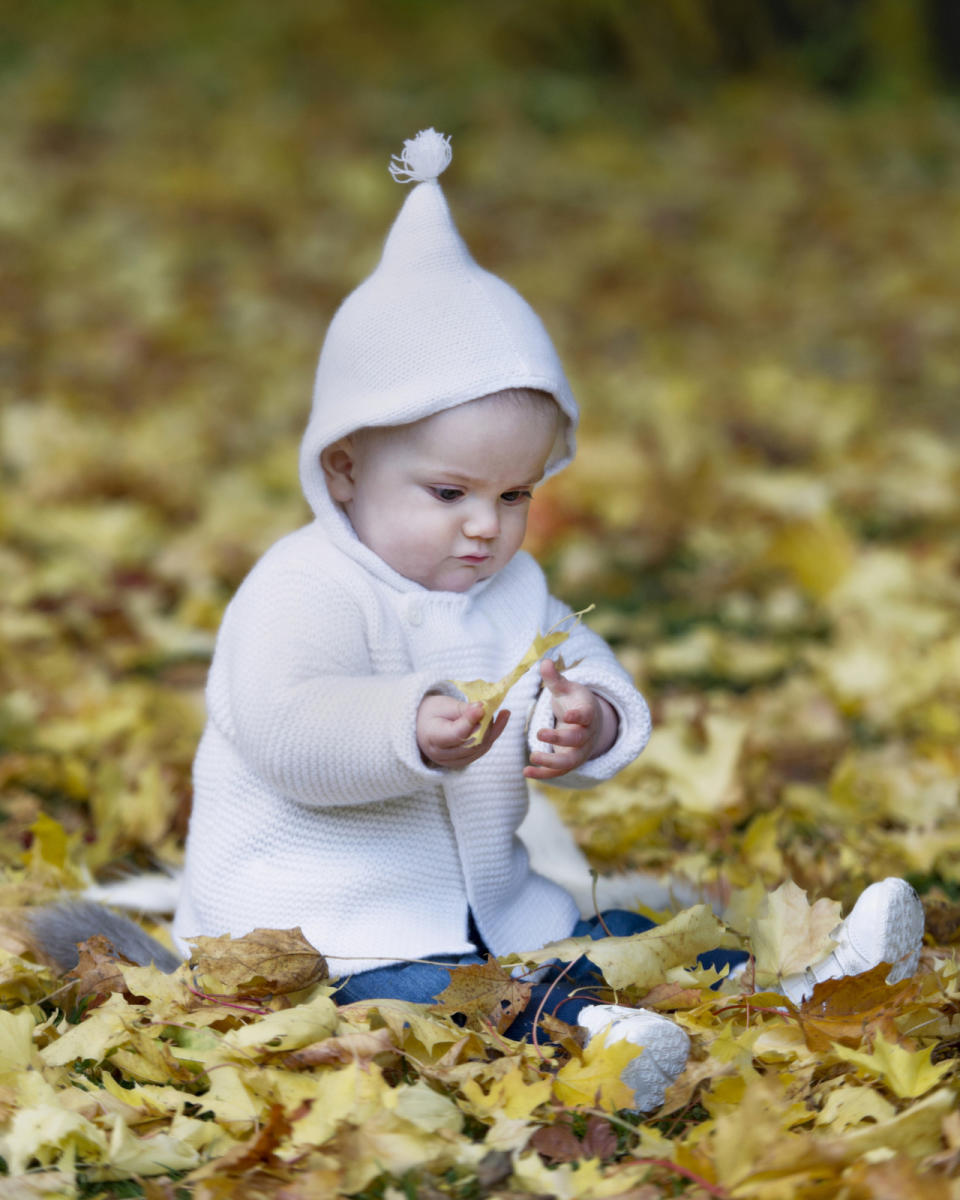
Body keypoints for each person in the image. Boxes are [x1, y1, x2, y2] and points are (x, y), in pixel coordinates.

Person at [29, 130, 926, 1113]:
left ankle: (802, 985)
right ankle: (590, 1049)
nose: (484, 527)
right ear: (344, 467)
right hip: (329, 932)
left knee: (622, 931)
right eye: (451, 490)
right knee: (426, 1003)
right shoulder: (299, 589)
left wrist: (593, 719)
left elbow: (581, 660)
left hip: (495, 911)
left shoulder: (510, 587)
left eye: (513, 495)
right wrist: (402, 725)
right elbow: (287, 726)